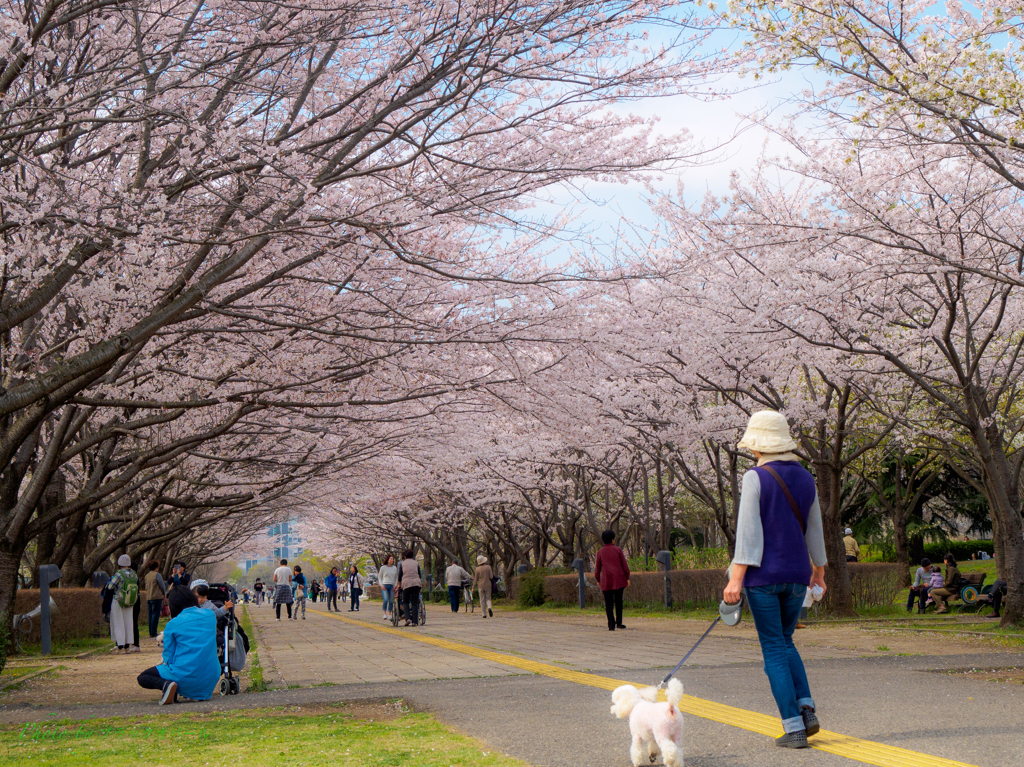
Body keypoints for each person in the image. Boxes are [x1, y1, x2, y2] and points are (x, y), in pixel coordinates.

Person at [725, 411, 828, 750]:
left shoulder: (756, 477)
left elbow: (749, 535)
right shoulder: (806, 478)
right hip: (798, 576)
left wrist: (735, 580)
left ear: (757, 444)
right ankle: (807, 708)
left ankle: (794, 727)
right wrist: (819, 572)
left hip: (763, 577)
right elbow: (815, 529)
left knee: (773, 647)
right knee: (786, 643)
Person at [137, 587, 221, 705]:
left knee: (143, 677)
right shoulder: (210, 615)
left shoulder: (173, 624)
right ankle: (185, 689)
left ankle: (166, 685)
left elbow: (168, 655)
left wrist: (170, 672)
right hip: (211, 676)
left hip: (186, 675)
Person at [594, 529, 630, 631]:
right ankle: (619, 623)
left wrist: (598, 579)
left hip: (606, 580)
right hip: (619, 579)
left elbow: (597, 568)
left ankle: (611, 625)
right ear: (613, 540)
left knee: (608, 603)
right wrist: (627, 578)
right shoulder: (618, 550)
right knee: (619, 601)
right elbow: (624, 565)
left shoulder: (600, 552)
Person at [105, 555, 141, 653]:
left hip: (119, 600)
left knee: (118, 623)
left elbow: (110, 586)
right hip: (130, 602)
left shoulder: (119, 574)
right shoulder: (134, 574)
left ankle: (120, 647)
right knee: (128, 623)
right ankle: (127, 647)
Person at [398, 550, 422, 626]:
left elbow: (400, 576)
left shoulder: (402, 564)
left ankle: (407, 618)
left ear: (405, 556)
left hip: (406, 584)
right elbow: (419, 575)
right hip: (416, 583)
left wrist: (399, 585)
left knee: (405, 602)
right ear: (412, 556)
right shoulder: (416, 563)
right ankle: (415, 621)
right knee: (414, 602)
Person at [144, 561, 168, 639]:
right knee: (155, 615)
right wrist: (164, 593)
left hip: (148, 597)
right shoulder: (157, 575)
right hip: (156, 597)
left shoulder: (147, 576)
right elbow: (162, 585)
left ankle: (151, 631)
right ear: (156, 567)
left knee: (150, 615)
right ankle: (154, 632)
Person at [473, 554, 494, 619]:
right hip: (488, 584)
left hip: (480, 585)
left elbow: (476, 579)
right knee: (488, 598)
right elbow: (491, 577)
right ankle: (489, 607)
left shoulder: (477, 569)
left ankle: (483, 614)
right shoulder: (488, 567)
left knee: (482, 600)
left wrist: (473, 587)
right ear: (484, 561)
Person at [378, 556, 398, 621]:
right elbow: (380, 577)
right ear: (387, 560)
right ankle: (384, 613)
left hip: (392, 585)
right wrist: (381, 585)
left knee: (391, 600)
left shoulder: (394, 568)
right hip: (385, 585)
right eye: (391, 559)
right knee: (386, 599)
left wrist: (395, 585)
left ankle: (389, 614)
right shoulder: (383, 568)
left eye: (393, 559)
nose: (392, 560)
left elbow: (396, 577)